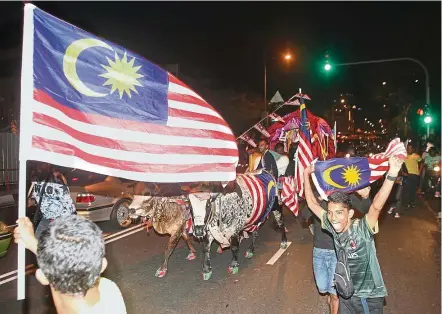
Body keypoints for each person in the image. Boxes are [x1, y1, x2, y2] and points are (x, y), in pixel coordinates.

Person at [303, 156, 404, 314]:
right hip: (347, 294)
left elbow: (376, 207)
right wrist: (305, 174)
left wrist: (392, 174)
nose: (333, 217)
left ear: (350, 213)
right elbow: (311, 204)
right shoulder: (331, 225)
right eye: (330, 213)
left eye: (339, 213)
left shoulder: (362, 229)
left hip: (367, 296)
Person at [14, 215, 127, 314]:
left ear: (42, 276)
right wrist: (31, 240)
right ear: (102, 265)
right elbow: (66, 264)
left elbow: (61, 266)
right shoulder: (110, 291)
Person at [301, 188, 372, 314]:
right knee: (323, 288)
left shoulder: (345, 193)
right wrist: (319, 198)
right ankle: (331, 296)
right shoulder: (319, 194)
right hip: (319, 250)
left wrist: (366, 197)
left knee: (335, 294)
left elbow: (366, 210)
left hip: (338, 251)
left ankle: (334, 301)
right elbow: (304, 215)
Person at [28, 167, 76, 238]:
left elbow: (67, 203)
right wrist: (31, 201)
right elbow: (38, 199)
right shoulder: (37, 184)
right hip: (47, 218)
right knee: (38, 243)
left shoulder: (56, 180)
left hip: (61, 220)